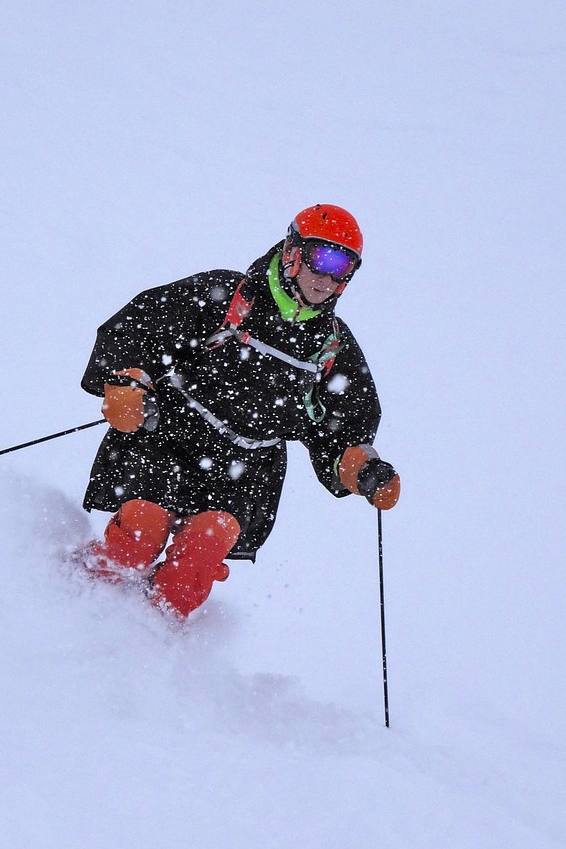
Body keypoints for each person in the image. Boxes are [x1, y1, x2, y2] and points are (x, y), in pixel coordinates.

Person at [79, 204, 401, 619]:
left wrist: (359, 467)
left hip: (244, 469)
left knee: (192, 568)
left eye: (344, 268)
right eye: (322, 259)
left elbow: (342, 426)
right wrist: (125, 382)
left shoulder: (331, 346)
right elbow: (138, 327)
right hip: (169, 436)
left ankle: (146, 652)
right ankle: (76, 608)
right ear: (292, 251)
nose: (329, 279)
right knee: (137, 538)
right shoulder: (225, 296)